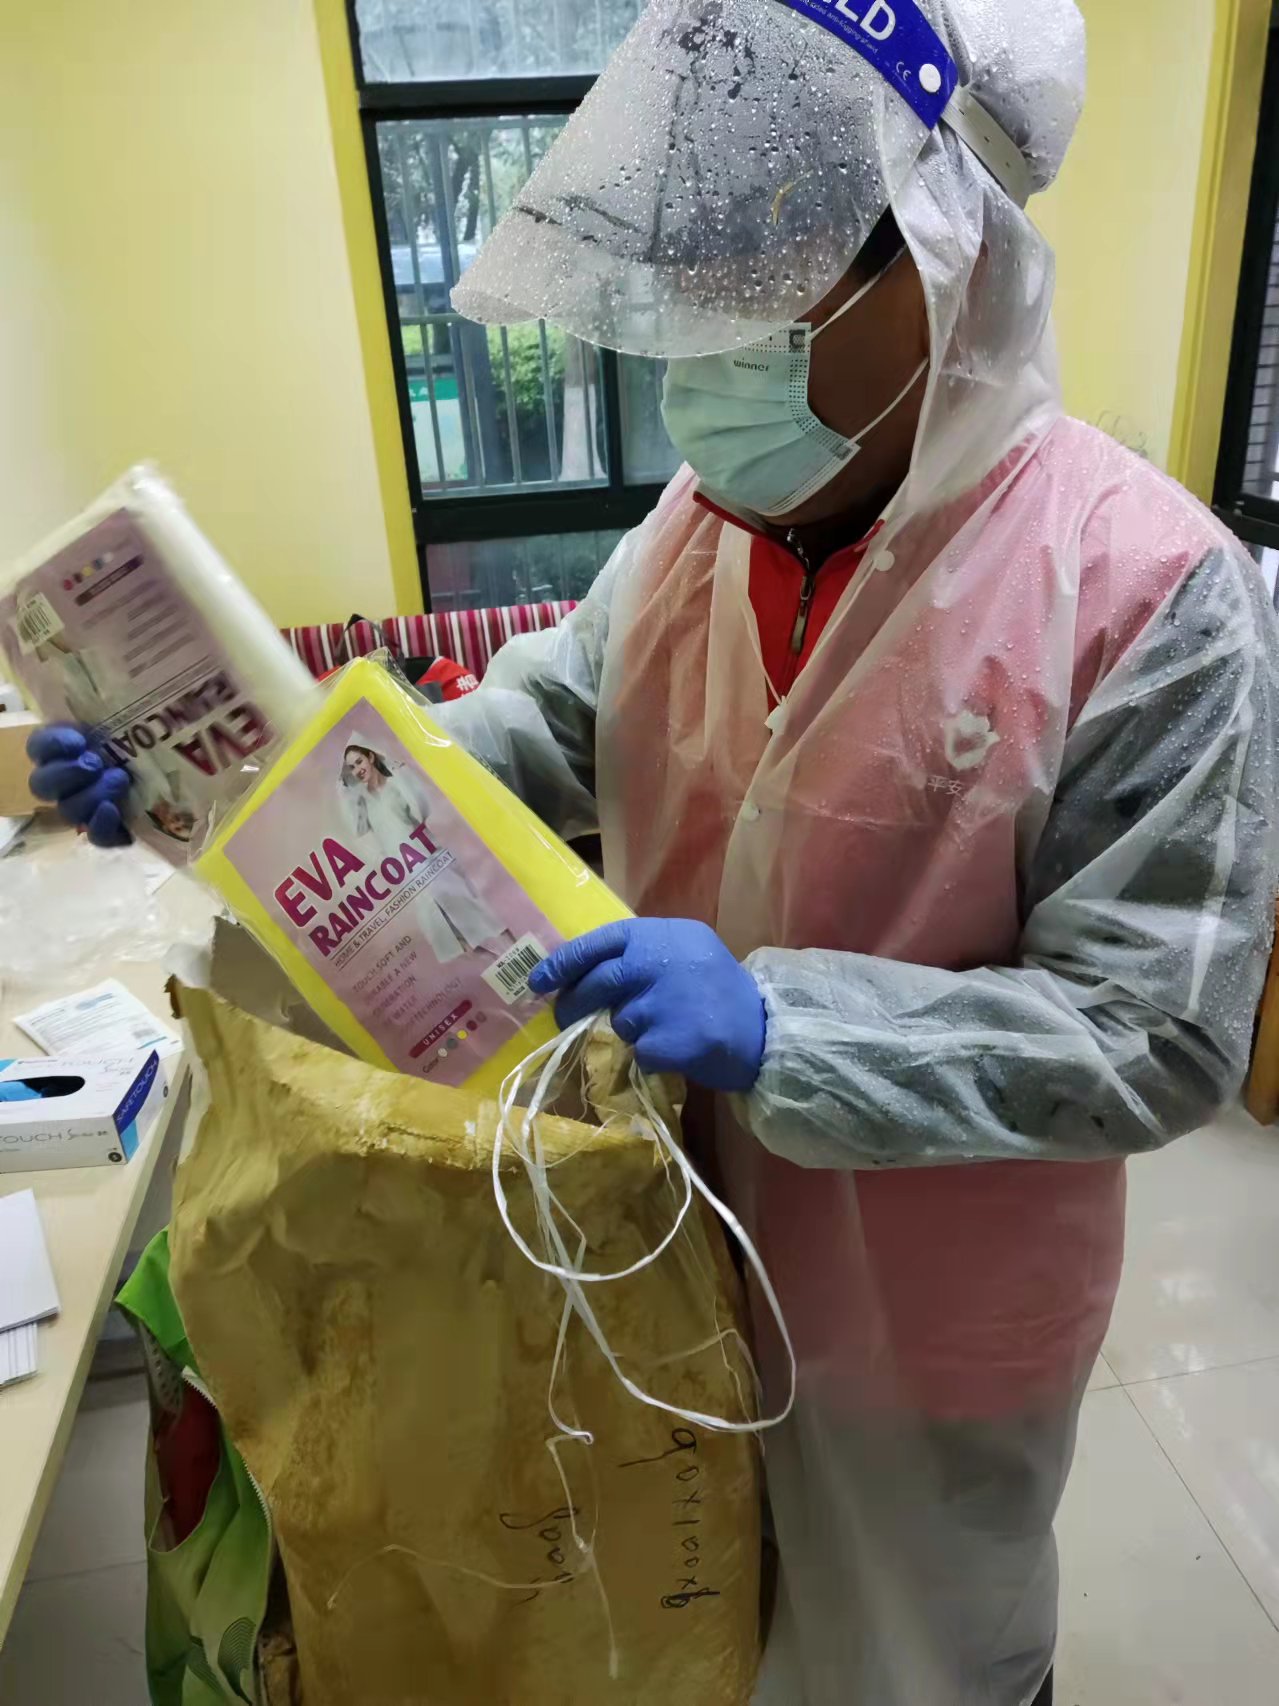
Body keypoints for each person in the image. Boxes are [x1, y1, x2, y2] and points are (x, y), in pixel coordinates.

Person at [29, 2, 1279, 1702]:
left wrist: (785, 1026)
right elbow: (508, 741)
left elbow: (1153, 1031)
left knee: (914, 1659)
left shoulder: (1145, 591)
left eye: (772, 277)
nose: (711, 336)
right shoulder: (690, 533)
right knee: (692, 1629)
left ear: (949, 258)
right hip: (647, 1246)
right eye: (702, 274)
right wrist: (225, 784)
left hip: (926, 1317)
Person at [339, 738, 512, 965]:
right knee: (446, 934)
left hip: (429, 858)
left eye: (359, 761)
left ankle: (513, 953)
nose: (357, 770)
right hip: (406, 872)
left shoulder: (396, 783)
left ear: (370, 757)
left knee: (471, 911)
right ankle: (488, 971)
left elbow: (421, 810)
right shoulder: (363, 802)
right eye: (351, 767)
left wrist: (401, 775)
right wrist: (345, 793)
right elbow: (358, 829)